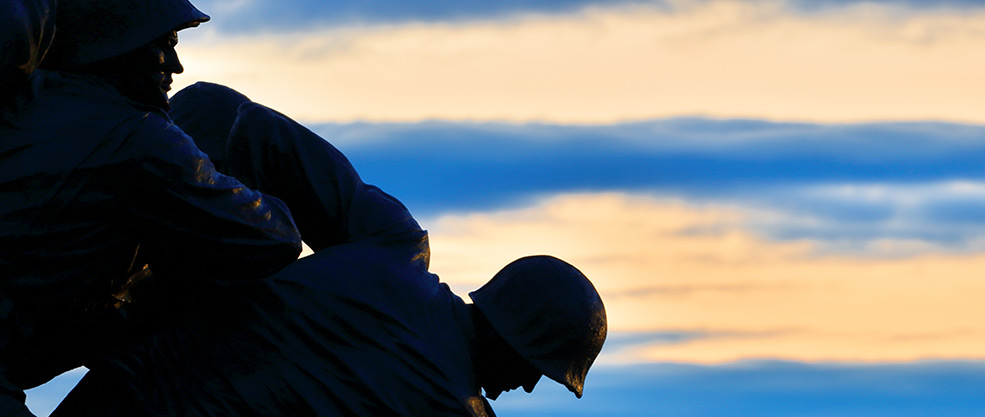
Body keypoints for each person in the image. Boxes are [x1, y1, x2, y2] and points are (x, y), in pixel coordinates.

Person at [51, 83, 608, 416]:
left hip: (118, 394)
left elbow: (240, 124)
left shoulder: (392, 242)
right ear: (514, 329)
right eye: (536, 365)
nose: (529, 384)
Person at [0, 0, 301, 415]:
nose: (176, 66)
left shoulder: (34, 100)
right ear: (117, 42)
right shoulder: (140, 137)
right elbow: (270, 239)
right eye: (165, 45)